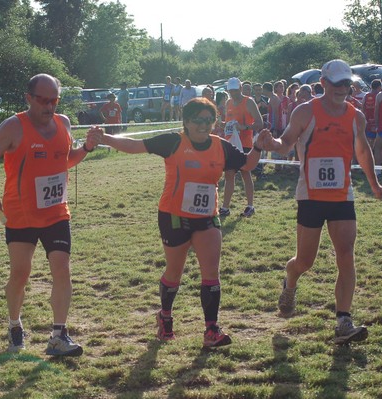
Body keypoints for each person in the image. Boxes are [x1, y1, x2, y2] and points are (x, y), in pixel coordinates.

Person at [87, 97, 264, 347]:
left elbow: (248, 163)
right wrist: (105, 138)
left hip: (206, 217)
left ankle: (211, 329)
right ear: (187, 122)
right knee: (174, 272)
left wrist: (257, 146)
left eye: (209, 120)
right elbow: (135, 145)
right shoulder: (173, 141)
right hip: (174, 216)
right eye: (198, 120)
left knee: (211, 273)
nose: (204, 125)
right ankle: (165, 317)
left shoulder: (221, 147)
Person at [258, 59, 382, 345]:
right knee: (305, 261)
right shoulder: (306, 111)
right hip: (310, 196)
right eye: (338, 84)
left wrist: (374, 183)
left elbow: (363, 152)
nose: (343, 89)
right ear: (324, 84)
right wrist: (271, 145)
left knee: (346, 254)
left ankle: (343, 320)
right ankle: (290, 280)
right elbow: (286, 142)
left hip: (342, 196)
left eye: (347, 84)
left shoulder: (356, 116)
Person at [0, 73, 95, 356]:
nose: (50, 106)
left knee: (62, 269)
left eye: (55, 100)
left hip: (56, 213)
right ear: (29, 98)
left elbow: (65, 161)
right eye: (44, 100)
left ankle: (58, 335)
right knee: (20, 273)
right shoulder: (13, 127)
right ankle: (15, 324)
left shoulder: (63, 123)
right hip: (21, 215)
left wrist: (87, 148)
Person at [220, 77, 264, 218]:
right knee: (229, 175)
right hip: (230, 143)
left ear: (240, 88)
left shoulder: (249, 102)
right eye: (230, 91)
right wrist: (221, 124)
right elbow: (228, 122)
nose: (233, 93)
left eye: (235, 90)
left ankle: (250, 206)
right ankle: (225, 208)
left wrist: (244, 127)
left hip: (245, 143)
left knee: (246, 173)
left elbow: (260, 123)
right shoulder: (228, 103)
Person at [361, 79, 382, 150]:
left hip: (368, 122)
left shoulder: (366, 96)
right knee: (380, 146)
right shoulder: (381, 96)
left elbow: (362, 109)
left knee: (369, 143)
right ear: (379, 87)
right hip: (380, 122)